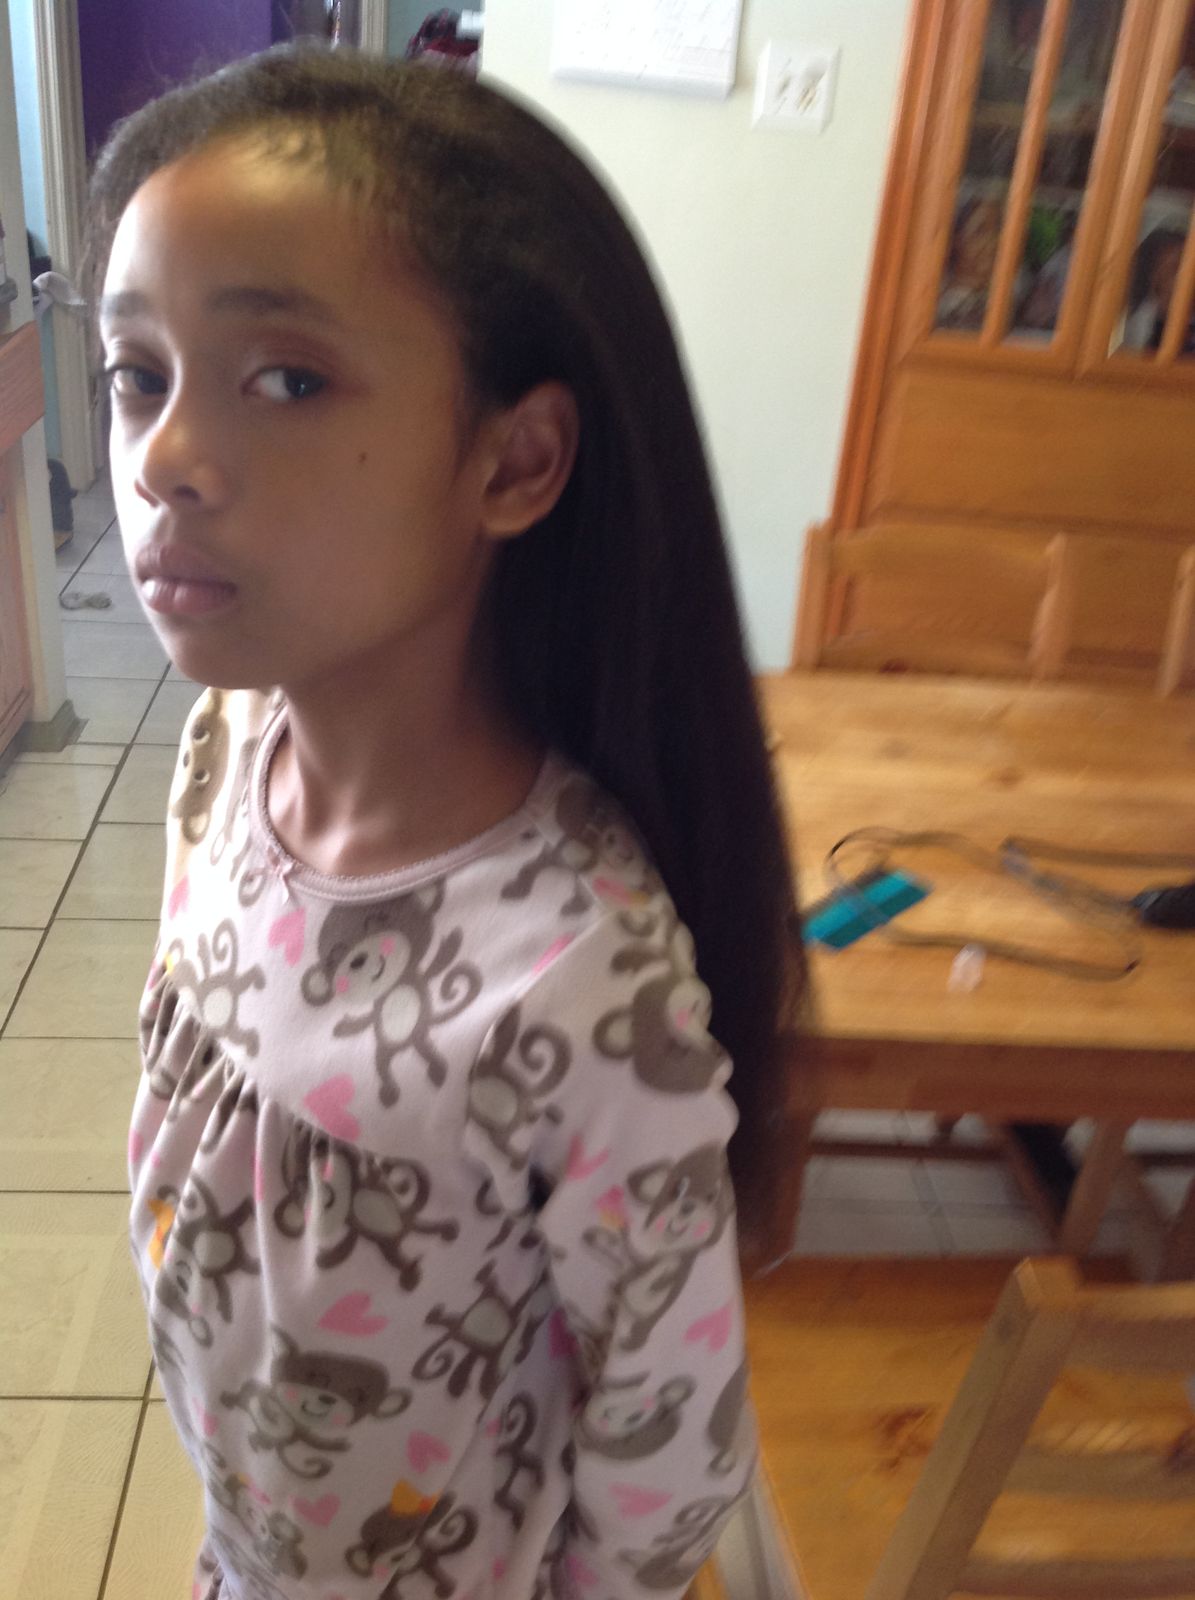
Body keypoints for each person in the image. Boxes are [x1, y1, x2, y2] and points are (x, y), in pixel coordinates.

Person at [83, 43, 800, 1600]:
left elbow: (668, 1455)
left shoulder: (577, 978)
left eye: (285, 379)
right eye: (138, 373)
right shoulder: (226, 751)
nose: (163, 459)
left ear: (514, 460)